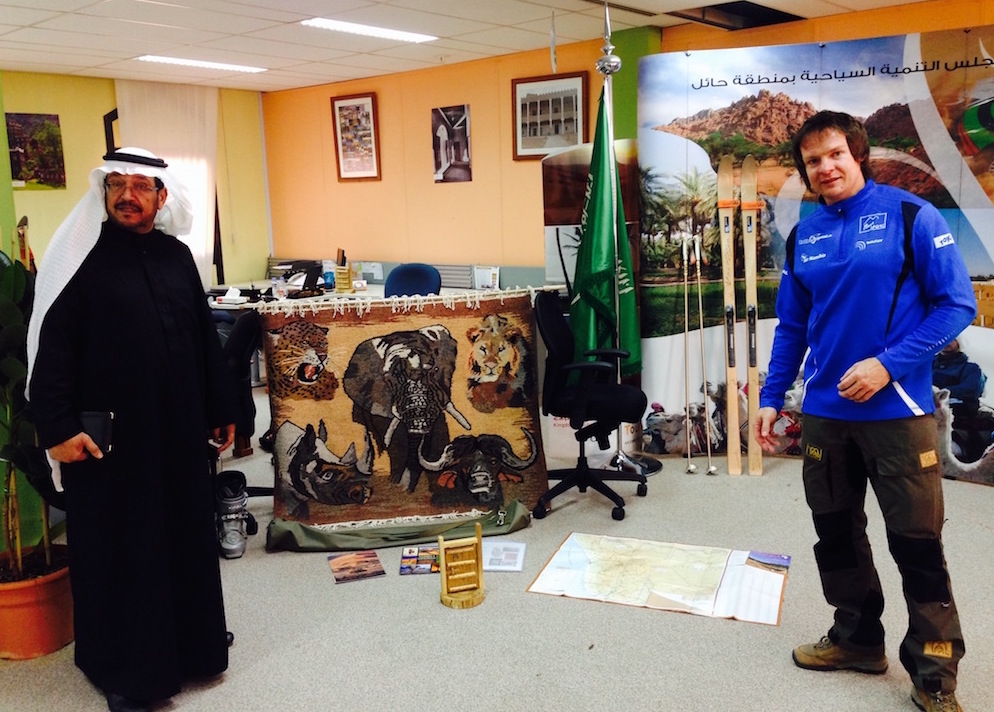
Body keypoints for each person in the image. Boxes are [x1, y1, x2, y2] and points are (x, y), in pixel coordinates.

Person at [754, 112, 976, 712]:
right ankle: (856, 639)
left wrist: (887, 365)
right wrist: (772, 398)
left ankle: (935, 673)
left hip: (898, 414)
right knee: (836, 535)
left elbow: (957, 306)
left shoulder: (911, 216)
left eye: (835, 154)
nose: (825, 168)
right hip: (826, 417)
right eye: (813, 161)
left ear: (857, 153)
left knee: (917, 544)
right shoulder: (804, 236)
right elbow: (792, 328)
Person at [26, 148, 238, 712]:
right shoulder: (80, 259)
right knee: (124, 549)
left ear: (161, 197)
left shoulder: (176, 256)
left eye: (141, 186)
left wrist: (221, 405)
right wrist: (56, 428)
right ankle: (124, 672)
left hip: (176, 431)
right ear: (103, 192)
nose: (127, 195)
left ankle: (193, 648)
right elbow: (50, 349)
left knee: (183, 536)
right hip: (109, 443)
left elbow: (201, 337)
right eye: (116, 184)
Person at [932, 336, 990, 462]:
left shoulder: (971, 368)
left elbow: (971, 389)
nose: (947, 342)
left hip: (957, 417)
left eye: (952, 339)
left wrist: (939, 393)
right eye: (944, 338)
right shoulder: (927, 365)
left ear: (960, 343)